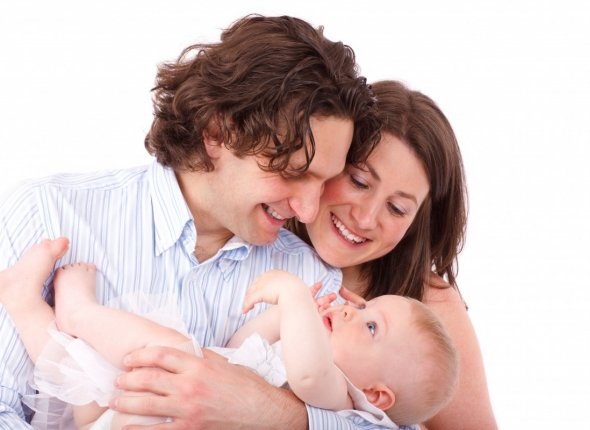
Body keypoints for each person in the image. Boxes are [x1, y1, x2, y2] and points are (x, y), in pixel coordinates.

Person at [0, 14, 384, 429]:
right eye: (292, 172)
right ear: (216, 132)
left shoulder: (309, 280)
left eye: (324, 182)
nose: (309, 211)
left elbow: (381, 418)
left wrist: (270, 412)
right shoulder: (48, 213)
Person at [0, 240, 457, 429]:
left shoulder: (345, 399)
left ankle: (79, 312)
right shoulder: (311, 360)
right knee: (86, 379)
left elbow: (309, 375)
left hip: (168, 415)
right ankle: (24, 306)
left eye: (370, 326)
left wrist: (294, 298)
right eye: (362, 307)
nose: (349, 311)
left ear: (377, 396)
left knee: (172, 351)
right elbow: (241, 348)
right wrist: (280, 321)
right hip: (148, 412)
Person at [288, 80, 498, 429]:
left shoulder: (431, 307)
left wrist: (280, 414)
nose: (365, 218)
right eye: (358, 181)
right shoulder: (254, 245)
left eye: (397, 208)